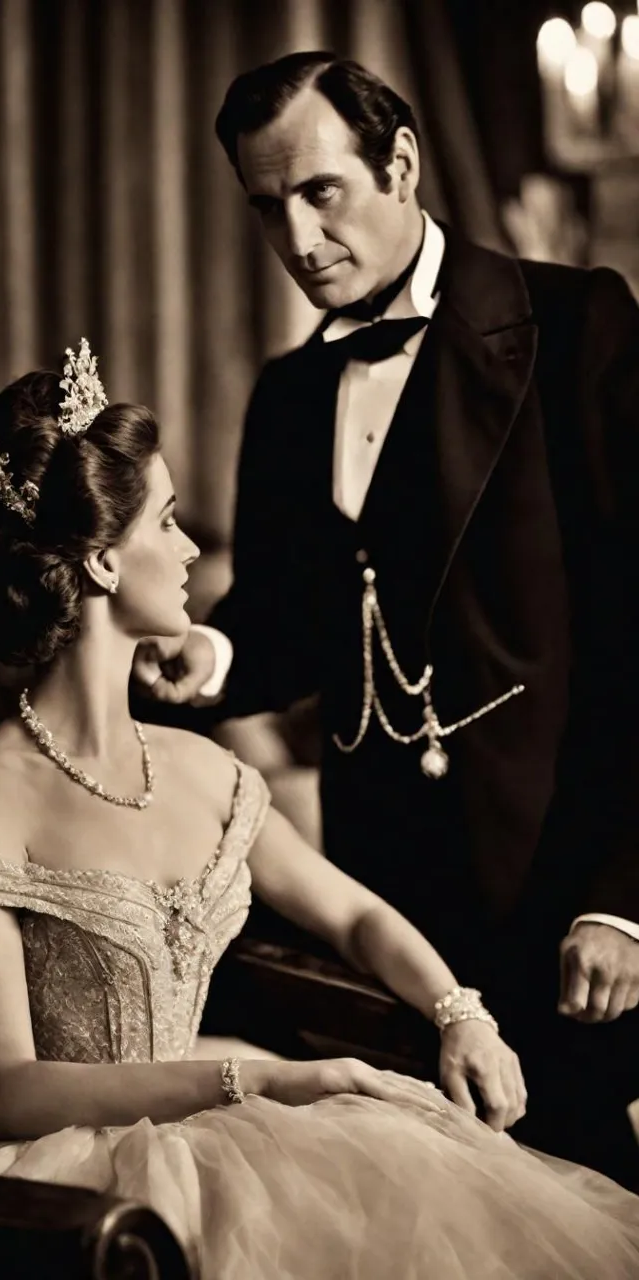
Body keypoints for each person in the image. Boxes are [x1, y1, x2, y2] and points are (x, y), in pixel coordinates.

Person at [0, 343, 639, 1280]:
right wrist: (263, 1077)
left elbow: (350, 911)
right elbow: (5, 1089)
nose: (191, 550)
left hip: (228, 1129)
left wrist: (459, 1012)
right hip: (62, 1180)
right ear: (103, 563)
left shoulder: (201, 767)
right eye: (171, 521)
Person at [131, 52, 639, 1187]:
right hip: (382, 913)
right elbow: (285, 623)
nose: (298, 239)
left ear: (400, 163)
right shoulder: (286, 395)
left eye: (321, 193)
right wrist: (205, 654)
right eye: (267, 207)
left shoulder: (577, 329)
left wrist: (623, 899)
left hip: (559, 903)